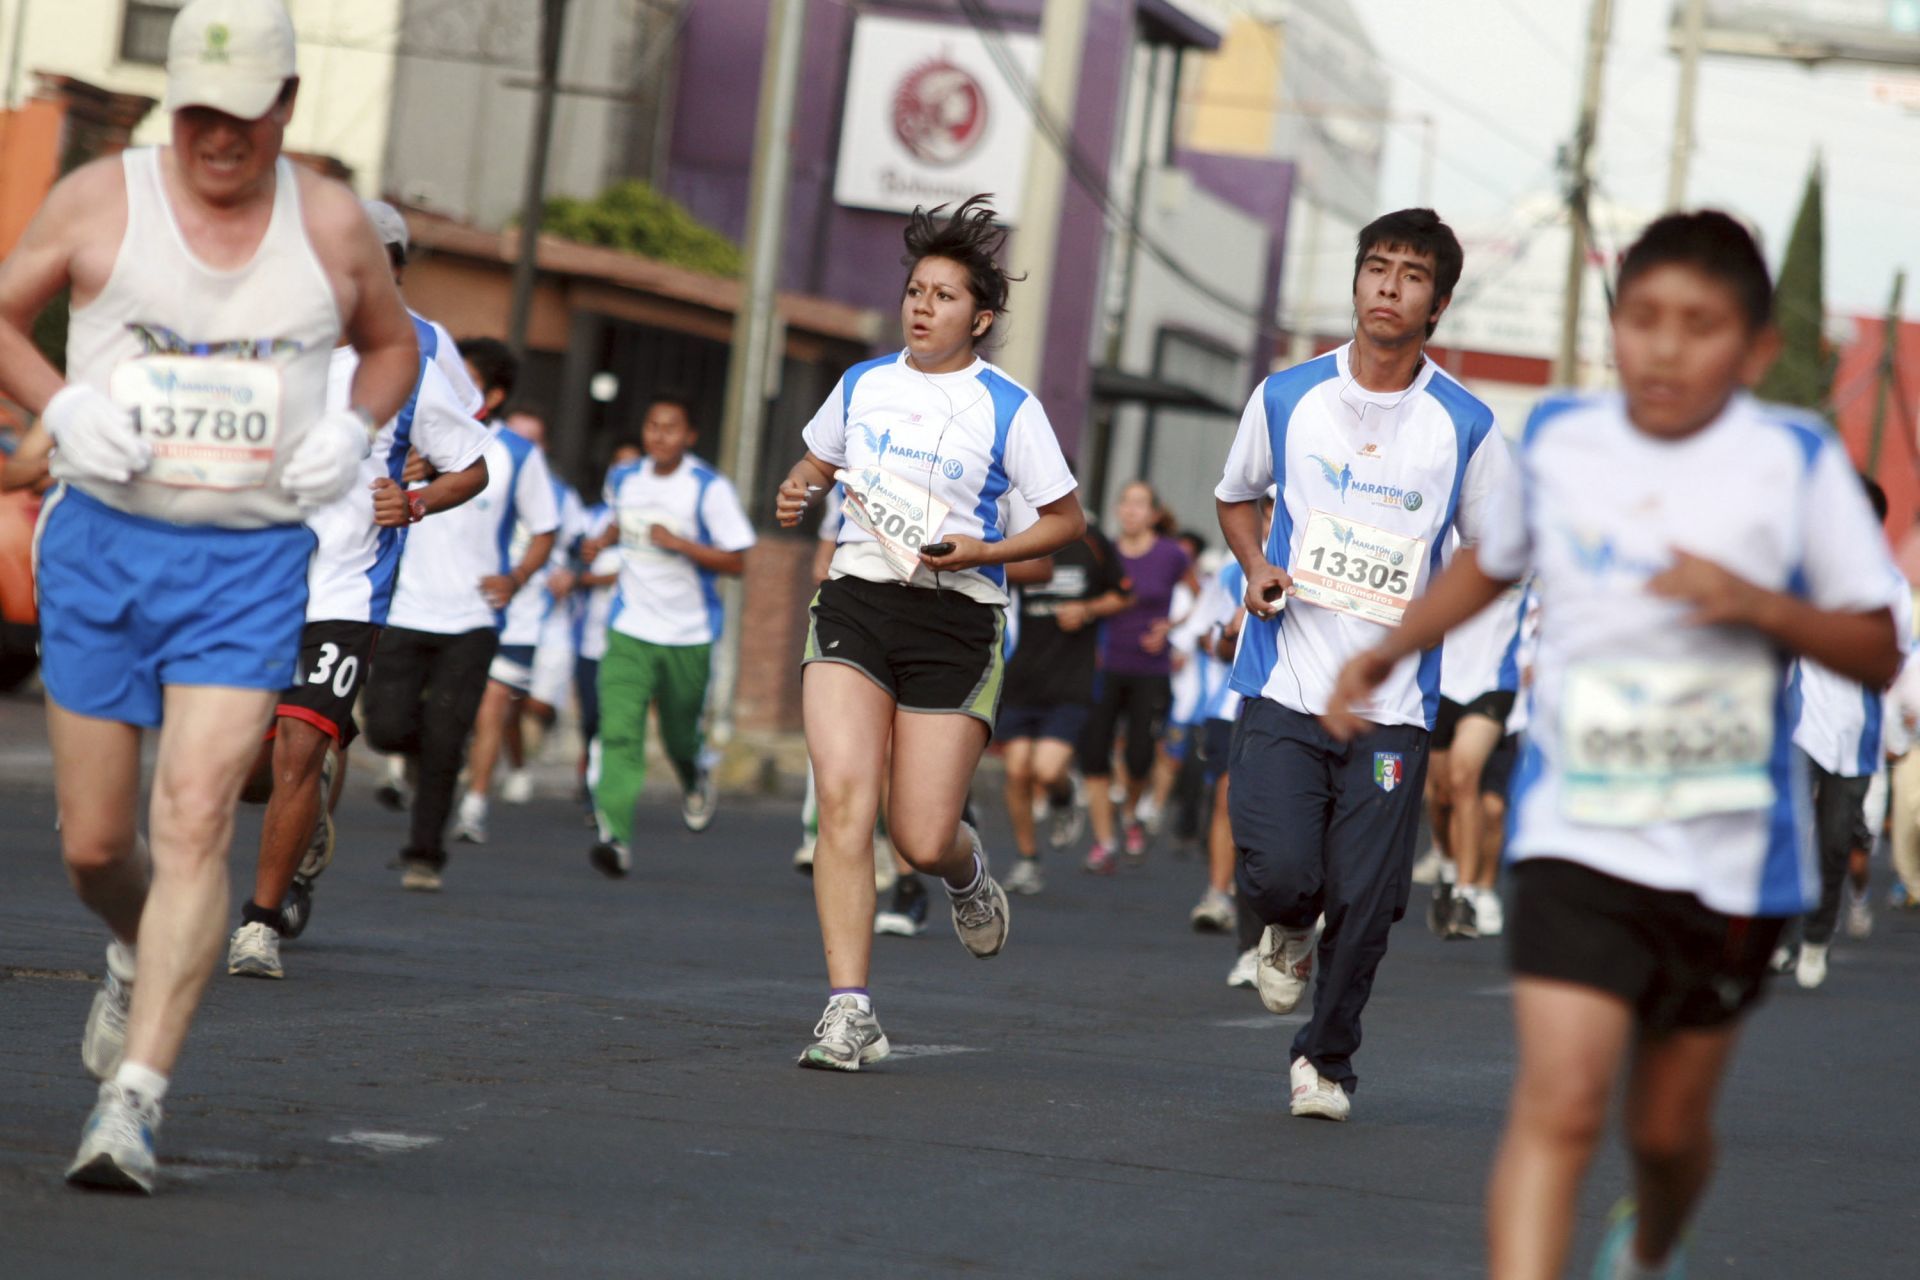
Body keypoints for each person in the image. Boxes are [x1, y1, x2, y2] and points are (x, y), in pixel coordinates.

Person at [1326, 210, 1903, 1280]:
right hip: (1577, 831)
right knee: (1561, 1100)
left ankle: (1652, 1236)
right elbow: (1492, 561)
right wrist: (1386, 648)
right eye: (1643, 319)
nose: (1666, 346)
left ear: (1757, 347)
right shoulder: (1564, 441)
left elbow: (1874, 644)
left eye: (1700, 323)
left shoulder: (1795, 462)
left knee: (1669, 1131)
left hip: (1729, 852)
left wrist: (1755, 605)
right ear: (1614, 331)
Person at [0, 0, 421, 1192]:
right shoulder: (101, 197)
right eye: (196, 115)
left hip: (245, 563)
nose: (217, 139)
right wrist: (61, 403)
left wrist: (350, 424)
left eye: (241, 117)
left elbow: (392, 346)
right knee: (95, 846)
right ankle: (139, 942)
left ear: (285, 108)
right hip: (102, 547)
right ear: (168, 104)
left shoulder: (331, 224)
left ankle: (133, 1100)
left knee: (193, 817)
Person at [1214, 207, 1511, 1122]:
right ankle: (1284, 927)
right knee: (1278, 878)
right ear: (1355, 282)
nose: (1389, 285)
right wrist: (1258, 566)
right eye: (1376, 267)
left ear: (1439, 302)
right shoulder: (1287, 395)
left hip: (1393, 712)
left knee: (1370, 898)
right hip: (1284, 683)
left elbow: (1495, 552)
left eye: (1411, 274)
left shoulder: (1465, 424)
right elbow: (1237, 499)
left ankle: (1327, 1062)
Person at [774, 194, 1085, 1070]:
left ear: (980, 318)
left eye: (945, 296)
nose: (922, 306)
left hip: (957, 618)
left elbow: (1067, 522)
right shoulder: (863, 383)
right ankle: (849, 1009)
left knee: (918, 833)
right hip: (858, 601)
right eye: (916, 290)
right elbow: (817, 460)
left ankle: (965, 874)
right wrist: (799, 486)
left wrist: (986, 547)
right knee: (843, 796)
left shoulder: (1009, 408)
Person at [227, 201, 490, 979]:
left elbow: (469, 456)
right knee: (246, 770)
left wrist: (415, 497)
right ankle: (301, 815)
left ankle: (259, 923)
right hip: (258, 587)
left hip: (348, 591)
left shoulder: (413, 357)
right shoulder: (269, 353)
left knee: (301, 750)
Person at [362, 337, 558, 890]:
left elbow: (544, 528)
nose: (451, 386)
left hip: (472, 618)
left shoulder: (516, 453)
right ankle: (428, 754)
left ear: (492, 395)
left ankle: (424, 854)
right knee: (386, 727)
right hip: (404, 606)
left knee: (448, 736)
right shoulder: (408, 436)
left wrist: (516, 578)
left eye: (466, 380)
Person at [582, 394, 755, 874]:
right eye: (652, 426)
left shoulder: (706, 487)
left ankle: (694, 775)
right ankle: (614, 836)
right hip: (629, 627)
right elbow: (622, 520)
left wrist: (679, 543)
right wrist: (602, 540)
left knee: (679, 735)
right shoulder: (623, 478)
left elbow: (737, 560)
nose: (660, 435)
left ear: (690, 436)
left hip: (688, 633)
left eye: (671, 428)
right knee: (618, 732)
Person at [1778, 473, 1910, 987]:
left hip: (1855, 736)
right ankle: (1781, 939)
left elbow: (1889, 663)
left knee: (1834, 842)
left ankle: (1814, 939)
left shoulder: (1889, 588)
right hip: (1801, 723)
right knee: (1789, 829)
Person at [454, 405, 577, 840]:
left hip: (524, 618)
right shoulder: (462, 473)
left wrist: (569, 574)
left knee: (495, 708)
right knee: (452, 709)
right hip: (465, 610)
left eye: (534, 439)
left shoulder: (562, 496)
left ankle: (474, 804)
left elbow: (576, 550)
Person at [998, 502, 1131, 894]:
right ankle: (1027, 860)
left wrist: (1087, 609)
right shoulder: (1016, 540)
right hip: (1022, 673)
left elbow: (1124, 595)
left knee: (1047, 770)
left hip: (1071, 677)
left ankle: (1064, 794)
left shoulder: (1090, 540)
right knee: (1016, 771)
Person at [1080, 480, 1191, 872]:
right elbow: (1085, 597)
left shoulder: (1172, 554)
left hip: (1150, 668)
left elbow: (1200, 599)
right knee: (1094, 752)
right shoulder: (1104, 552)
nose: (1130, 511)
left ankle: (1130, 815)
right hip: (1106, 663)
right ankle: (1105, 841)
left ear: (1154, 514)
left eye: (1140, 504)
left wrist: (1172, 628)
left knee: (1140, 756)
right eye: (1125, 503)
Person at [1422, 577, 1530, 939]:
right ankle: (1449, 868)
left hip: (1494, 683)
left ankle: (1467, 894)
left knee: (1463, 778)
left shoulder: (1523, 540)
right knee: (1439, 797)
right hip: (1441, 682)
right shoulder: (1448, 534)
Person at [572, 440, 641, 813]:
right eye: (620, 466)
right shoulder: (591, 519)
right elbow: (572, 564)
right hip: (589, 637)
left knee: (617, 716)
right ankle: (590, 772)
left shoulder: (654, 512)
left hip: (630, 635)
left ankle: (604, 793)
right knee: (591, 716)